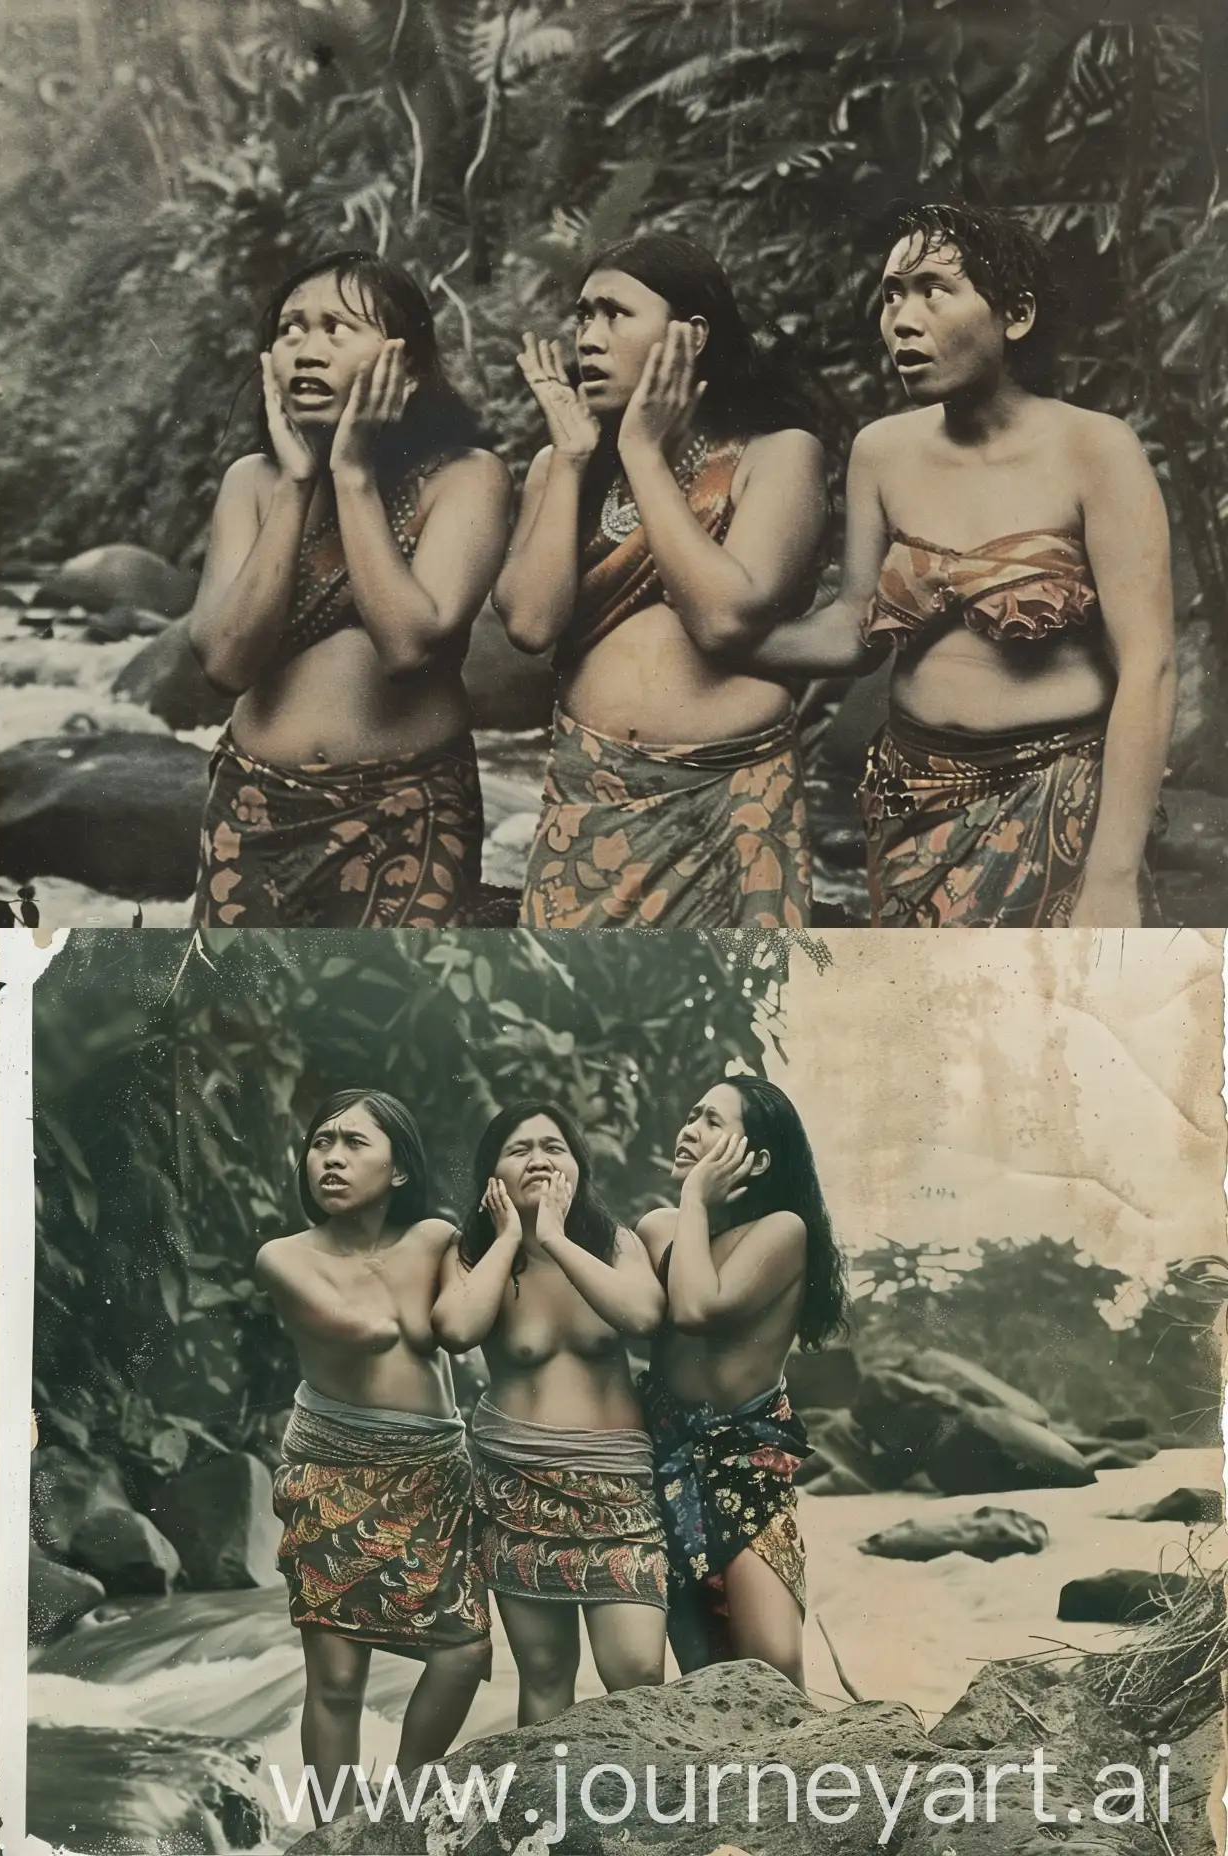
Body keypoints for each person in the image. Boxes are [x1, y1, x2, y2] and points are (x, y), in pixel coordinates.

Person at [748, 203, 1175, 927]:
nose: (902, 320)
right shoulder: (882, 451)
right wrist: (724, 634)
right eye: (890, 294)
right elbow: (854, 628)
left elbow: (1151, 665)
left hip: (1053, 800)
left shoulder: (1096, 451)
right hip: (911, 801)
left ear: (1015, 314)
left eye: (932, 289)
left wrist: (1112, 875)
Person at [495, 234, 828, 928]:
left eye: (615, 314)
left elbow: (723, 620)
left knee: (723, 1028)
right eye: (582, 316)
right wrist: (574, 457)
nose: (588, 337)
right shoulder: (562, 470)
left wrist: (643, 453)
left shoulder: (776, 456)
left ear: (692, 335)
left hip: (728, 800)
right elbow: (529, 624)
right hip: (590, 800)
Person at [186, 252, 514, 927]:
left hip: (406, 815)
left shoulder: (465, 478)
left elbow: (408, 645)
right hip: (252, 815)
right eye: (290, 329)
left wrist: (353, 476)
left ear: (408, 365)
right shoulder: (251, 483)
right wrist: (299, 482)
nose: (307, 348)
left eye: (337, 328)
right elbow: (225, 663)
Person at [252, 1090, 491, 1824]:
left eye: (356, 1142)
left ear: (397, 1169)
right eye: (321, 1142)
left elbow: (458, 1330)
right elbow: (365, 1327)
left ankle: (405, 1806)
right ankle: (336, 1834)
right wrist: (424, 1267)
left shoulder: (434, 1236)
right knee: (337, 1675)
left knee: (464, 1654)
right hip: (332, 1471)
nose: (331, 1156)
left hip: (433, 1476)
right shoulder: (282, 1256)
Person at [434, 1102, 668, 1726]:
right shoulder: (472, 1254)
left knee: (639, 1674)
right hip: (518, 1488)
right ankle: (550, 1819)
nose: (538, 1158)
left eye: (553, 1146)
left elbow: (644, 1317)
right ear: (492, 1178)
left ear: (578, 1166)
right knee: (543, 1677)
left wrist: (556, 1239)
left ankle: (652, 1819)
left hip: (619, 1491)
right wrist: (510, 1238)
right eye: (518, 1149)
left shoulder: (615, 1242)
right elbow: (456, 1328)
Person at [636, 1078, 847, 1682]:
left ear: (755, 1158)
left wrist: (696, 1201)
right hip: (668, 1458)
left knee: (771, 1666)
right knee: (704, 1671)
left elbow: (698, 1309)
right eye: (691, 1113)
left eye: (711, 1122)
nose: (688, 1129)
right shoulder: (656, 1228)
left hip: (748, 1464)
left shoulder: (783, 1231)